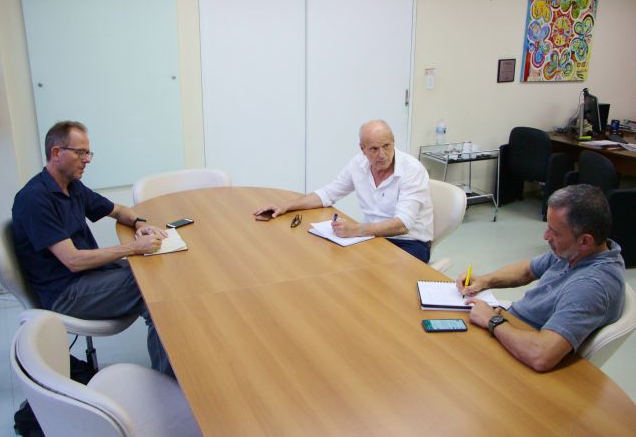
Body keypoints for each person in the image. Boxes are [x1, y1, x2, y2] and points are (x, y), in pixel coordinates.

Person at [12, 121, 174, 376]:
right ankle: (168, 379)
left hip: (89, 276)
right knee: (151, 285)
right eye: (80, 152)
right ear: (56, 153)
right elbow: (73, 260)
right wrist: (133, 247)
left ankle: (169, 366)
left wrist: (140, 223)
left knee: (152, 265)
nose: (87, 160)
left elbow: (118, 210)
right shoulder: (35, 199)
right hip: (66, 292)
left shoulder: (72, 187)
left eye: (88, 153)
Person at [457, 184, 625, 372]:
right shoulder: (575, 251)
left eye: (554, 232)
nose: (546, 236)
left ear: (585, 241)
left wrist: (493, 321)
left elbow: (541, 354)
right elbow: (528, 270)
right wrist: (484, 280)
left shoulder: (590, 286)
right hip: (510, 328)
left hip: (521, 350)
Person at [254, 119, 434, 262]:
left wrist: (357, 230)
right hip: (374, 237)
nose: (382, 155)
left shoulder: (412, 170)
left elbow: (403, 224)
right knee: (333, 261)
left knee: (373, 279)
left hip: (411, 243)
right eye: (373, 149)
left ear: (394, 142)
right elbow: (328, 193)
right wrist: (286, 206)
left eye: (386, 146)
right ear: (362, 149)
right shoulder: (358, 164)